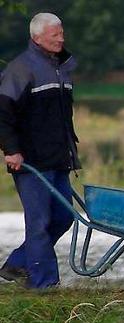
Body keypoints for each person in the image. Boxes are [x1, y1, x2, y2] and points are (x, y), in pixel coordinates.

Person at [0, 13, 80, 289]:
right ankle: (43, 285)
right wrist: (11, 150)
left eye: (61, 33)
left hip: (58, 159)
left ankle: (18, 264)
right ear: (37, 37)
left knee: (63, 217)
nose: (61, 38)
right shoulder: (21, 69)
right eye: (55, 34)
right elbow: (3, 113)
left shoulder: (60, 69)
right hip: (30, 160)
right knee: (39, 224)